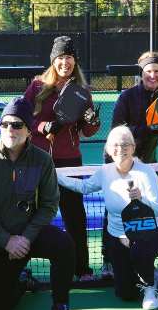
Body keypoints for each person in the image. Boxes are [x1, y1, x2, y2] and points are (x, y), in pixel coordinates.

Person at [0, 97, 80, 310]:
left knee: (64, 245)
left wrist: (26, 238)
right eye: (6, 124)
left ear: (29, 130)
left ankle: (60, 308)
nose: (11, 129)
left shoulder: (43, 160)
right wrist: (7, 240)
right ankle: (22, 280)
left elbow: (50, 204)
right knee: (1, 308)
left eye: (17, 125)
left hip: (30, 236)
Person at [57, 126, 158, 310]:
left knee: (139, 253)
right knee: (126, 294)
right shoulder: (105, 171)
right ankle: (146, 271)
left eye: (125, 145)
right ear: (108, 149)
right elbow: (84, 187)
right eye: (115, 145)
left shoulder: (145, 172)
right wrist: (56, 176)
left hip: (149, 233)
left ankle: (150, 285)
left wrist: (142, 199)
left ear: (133, 148)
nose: (120, 149)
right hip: (117, 237)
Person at [24, 36, 102, 279]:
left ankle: (82, 269)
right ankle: (21, 267)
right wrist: (42, 126)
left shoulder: (82, 92)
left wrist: (92, 121)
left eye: (69, 57)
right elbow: (22, 117)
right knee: (29, 213)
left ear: (74, 61)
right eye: (60, 58)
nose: (65, 62)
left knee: (75, 216)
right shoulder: (37, 87)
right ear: (53, 61)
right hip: (38, 160)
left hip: (70, 162)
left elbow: (88, 131)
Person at [112, 50, 158, 163]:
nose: (152, 75)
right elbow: (116, 129)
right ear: (141, 74)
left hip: (150, 162)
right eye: (148, 71)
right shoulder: (126, 96)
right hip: (123, 162)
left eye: (157, 71)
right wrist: (144, 130)